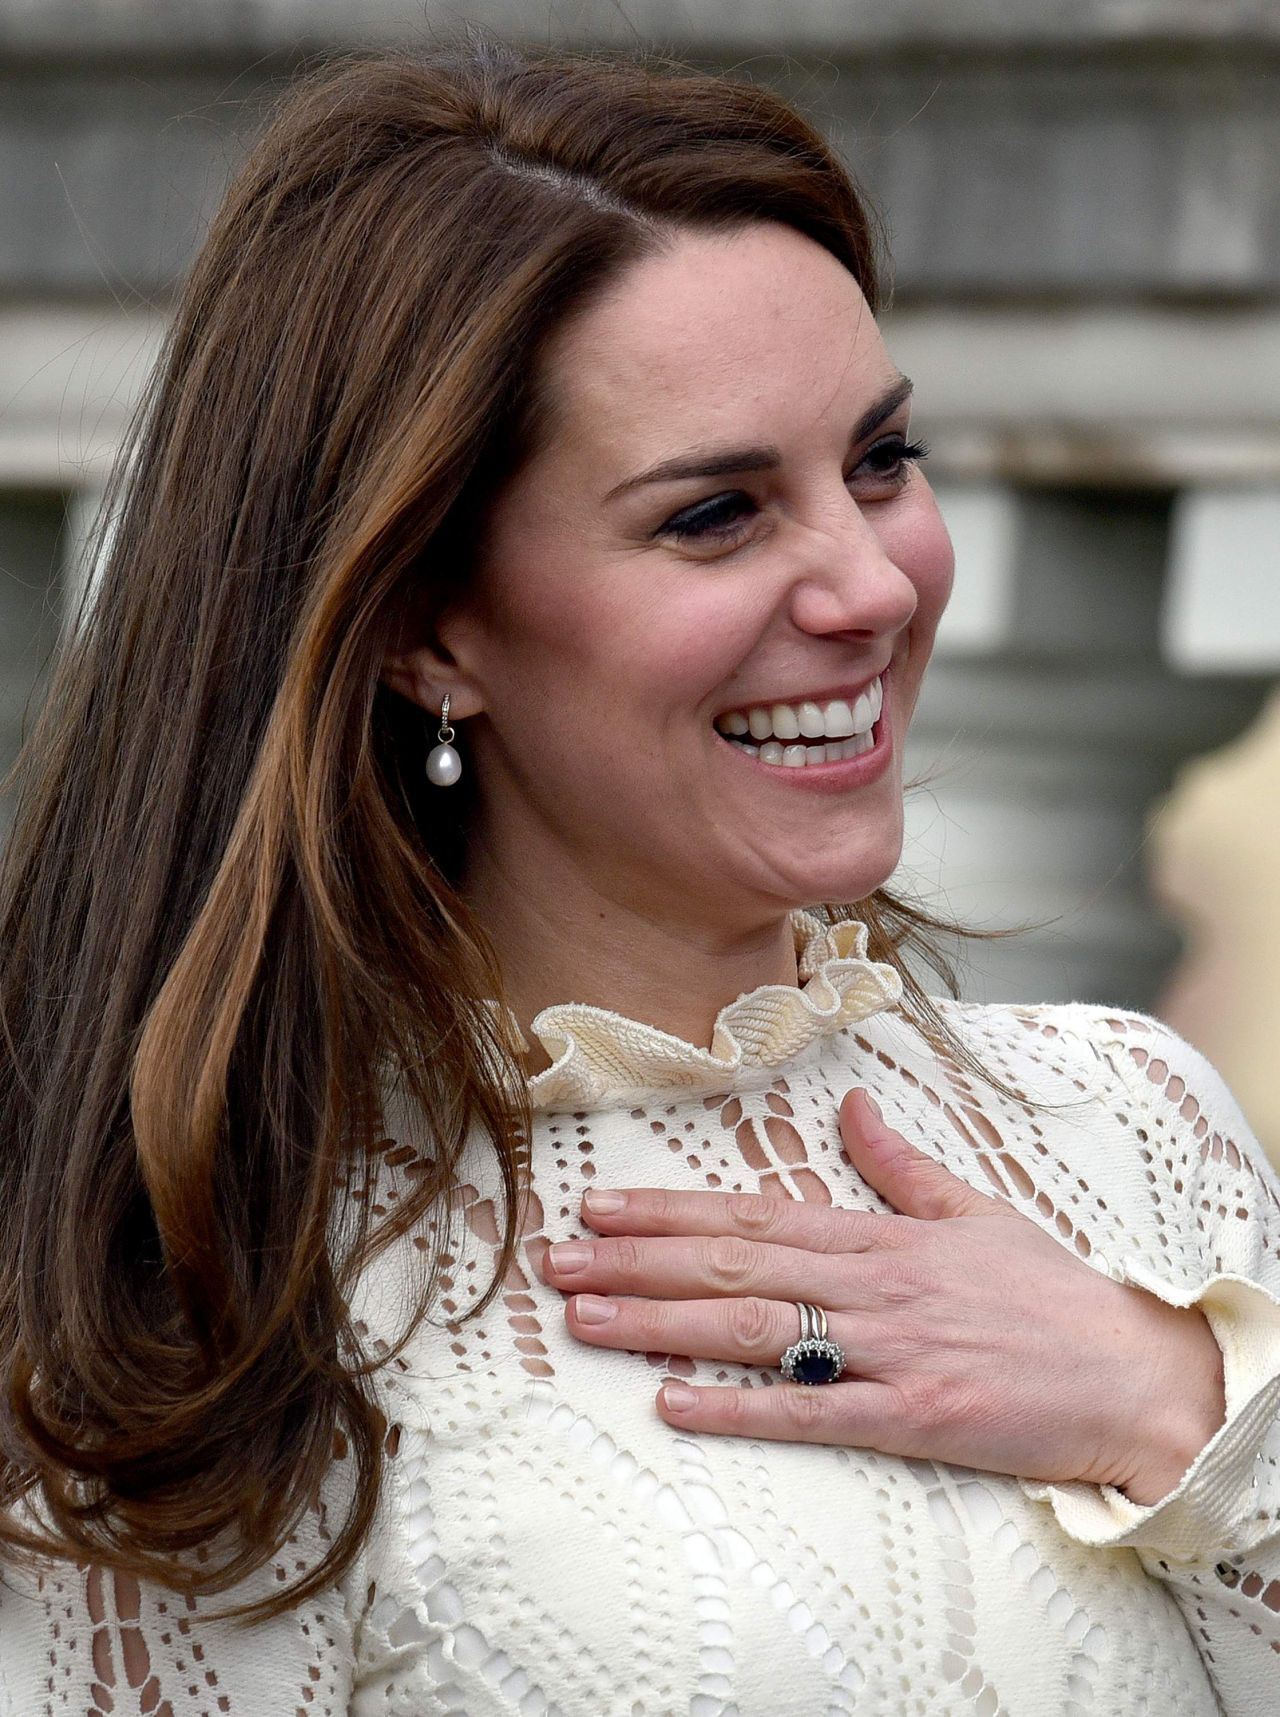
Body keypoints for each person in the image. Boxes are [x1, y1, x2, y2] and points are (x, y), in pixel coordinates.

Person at [1, 37, 1277, 1717]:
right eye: (715, 514)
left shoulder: (1130, 1127)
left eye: (879, 460)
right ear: (424, 625)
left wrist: (1177, 1407)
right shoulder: (209, 1291)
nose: (873, 585)